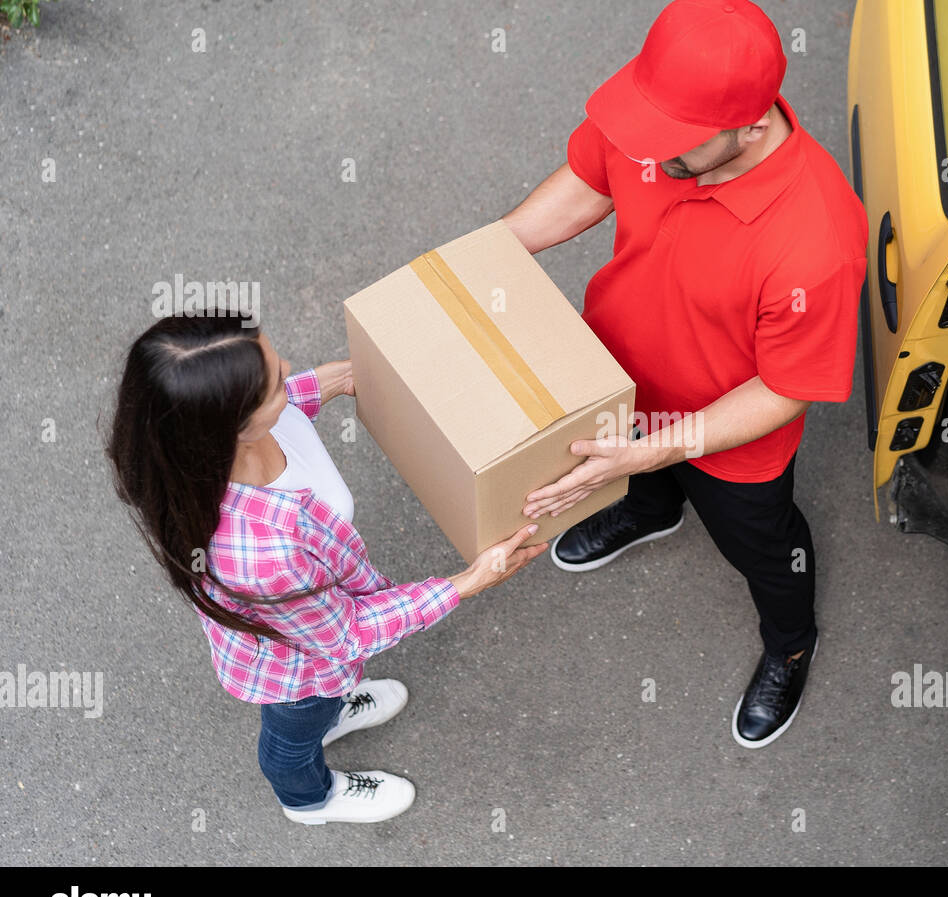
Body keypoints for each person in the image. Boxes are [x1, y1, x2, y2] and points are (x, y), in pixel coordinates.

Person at [502, 0, 869, 748]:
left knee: (763, 549)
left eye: (676, 146)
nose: (653, 154)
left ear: (752, 126)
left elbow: (787, 387)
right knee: (635, 471)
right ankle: (650, 507)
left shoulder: (817, 241)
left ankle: (791, 644)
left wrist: (659, 446)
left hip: (729, 440)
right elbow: (589, 181)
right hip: (618, 378)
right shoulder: (661, 109)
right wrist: (489, 252)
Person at [106, 311, 546, 825]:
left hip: (306, 627)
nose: (289, 372)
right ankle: (309, 799)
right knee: (293, 733)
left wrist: (339, 378)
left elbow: (291, 404)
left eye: (275, 360)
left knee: (325, 701)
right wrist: (466, 584)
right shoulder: (266, 555)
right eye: (274, 382)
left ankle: (334, 710)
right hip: (299, 666)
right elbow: (346, 636)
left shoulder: (207, 440)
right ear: (233, 428)